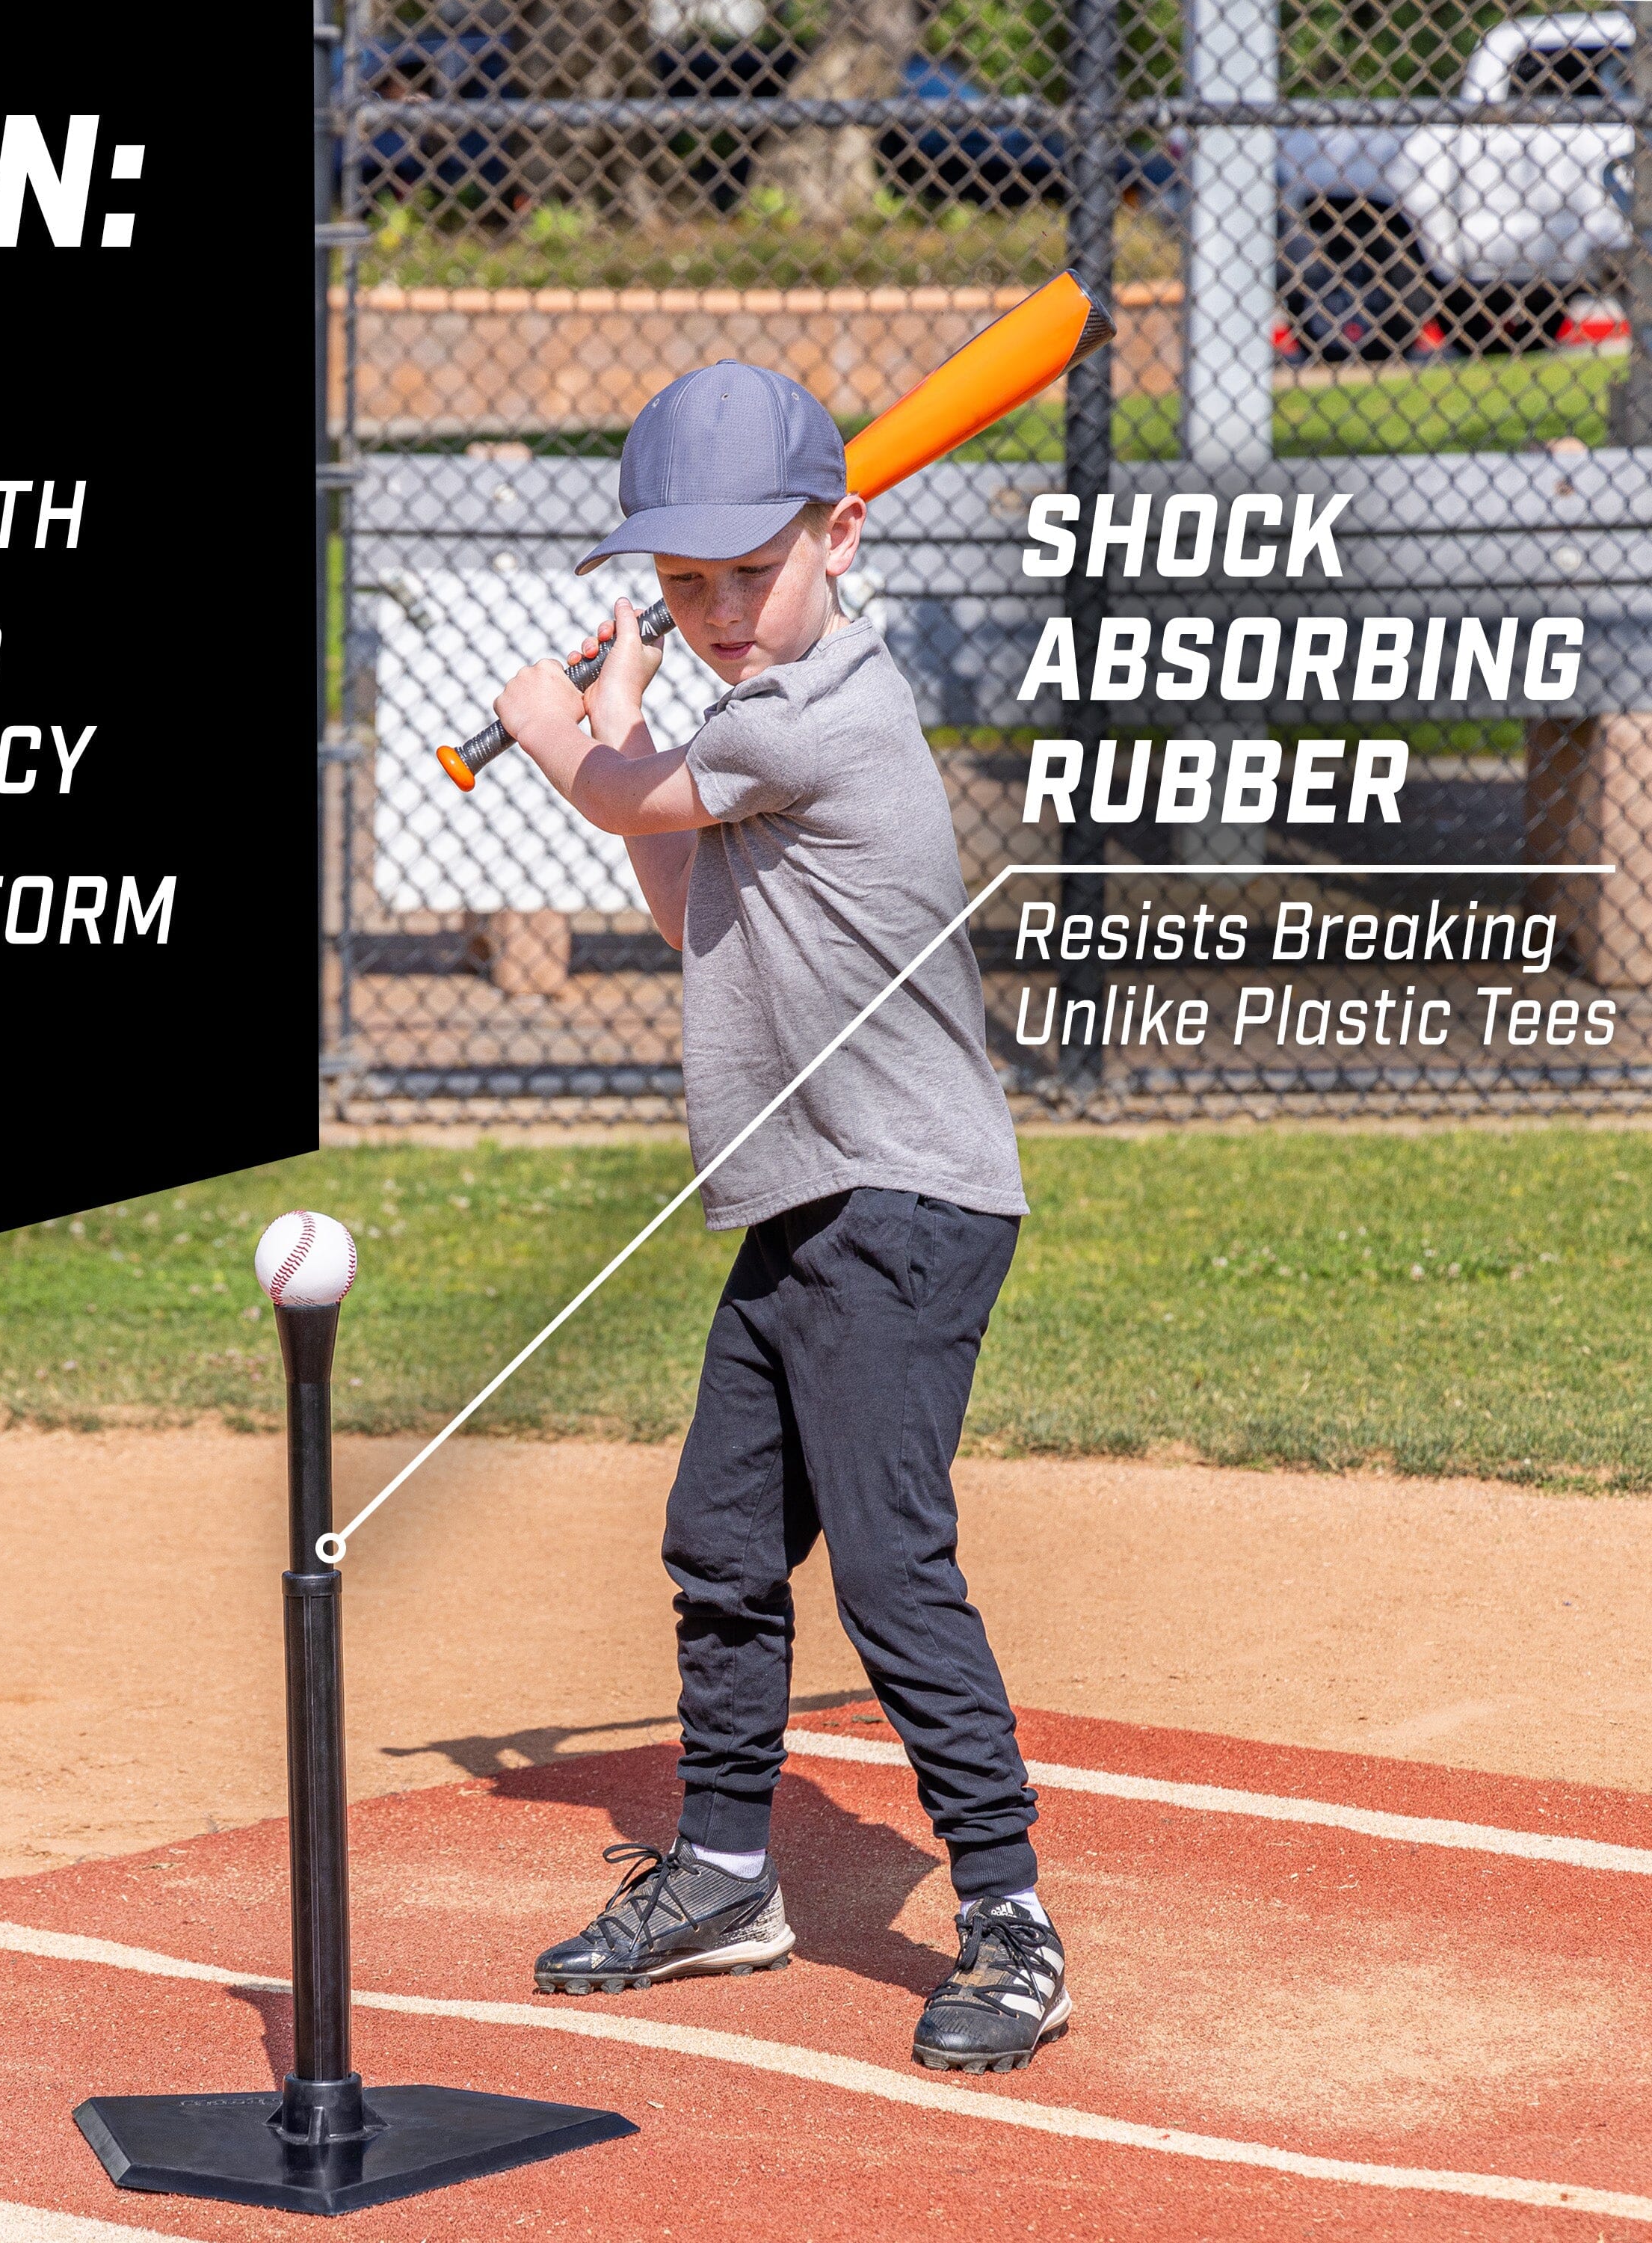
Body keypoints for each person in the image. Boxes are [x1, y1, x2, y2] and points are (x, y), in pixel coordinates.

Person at [489, 360, 1066, 2074]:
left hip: (905, 1202)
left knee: (893, 1568)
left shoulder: (821, 712)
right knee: (723, 1546)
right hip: (808, 1203)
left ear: (844, 536)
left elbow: (617, 796)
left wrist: (556, 721)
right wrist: (639, 713)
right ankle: (731, 1877)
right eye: (686, 587)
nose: (725, 612)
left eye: (755, 572)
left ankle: (1012, 1918)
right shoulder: (748, 728)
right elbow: (682, 893)